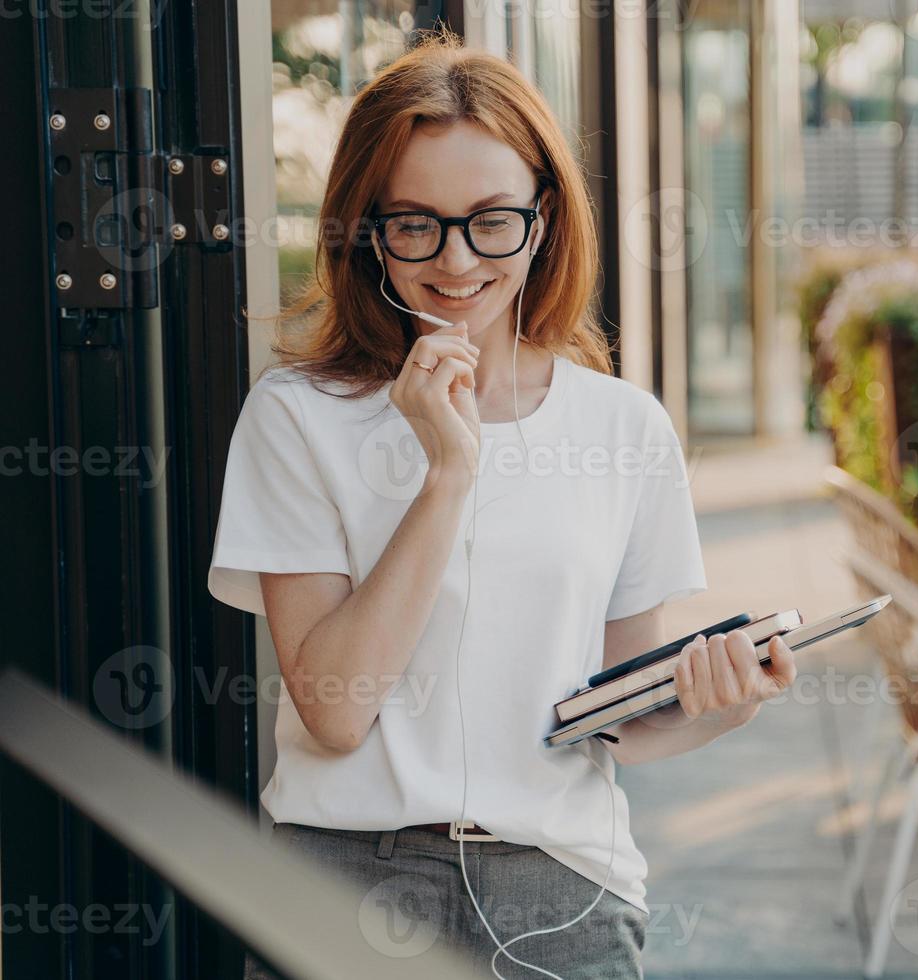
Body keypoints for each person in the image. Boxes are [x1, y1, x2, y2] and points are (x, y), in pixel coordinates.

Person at [208, 31, 795, 980]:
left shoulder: (623, 427)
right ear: (367, 230)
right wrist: (446, 475)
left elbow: (611, 716)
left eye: (491, 221)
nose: (456, 261)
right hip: (346, 881)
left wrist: (722, 704)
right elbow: (335, 713)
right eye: (415, 223)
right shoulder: (298, 416)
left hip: (562, 892)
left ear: (545, 217)